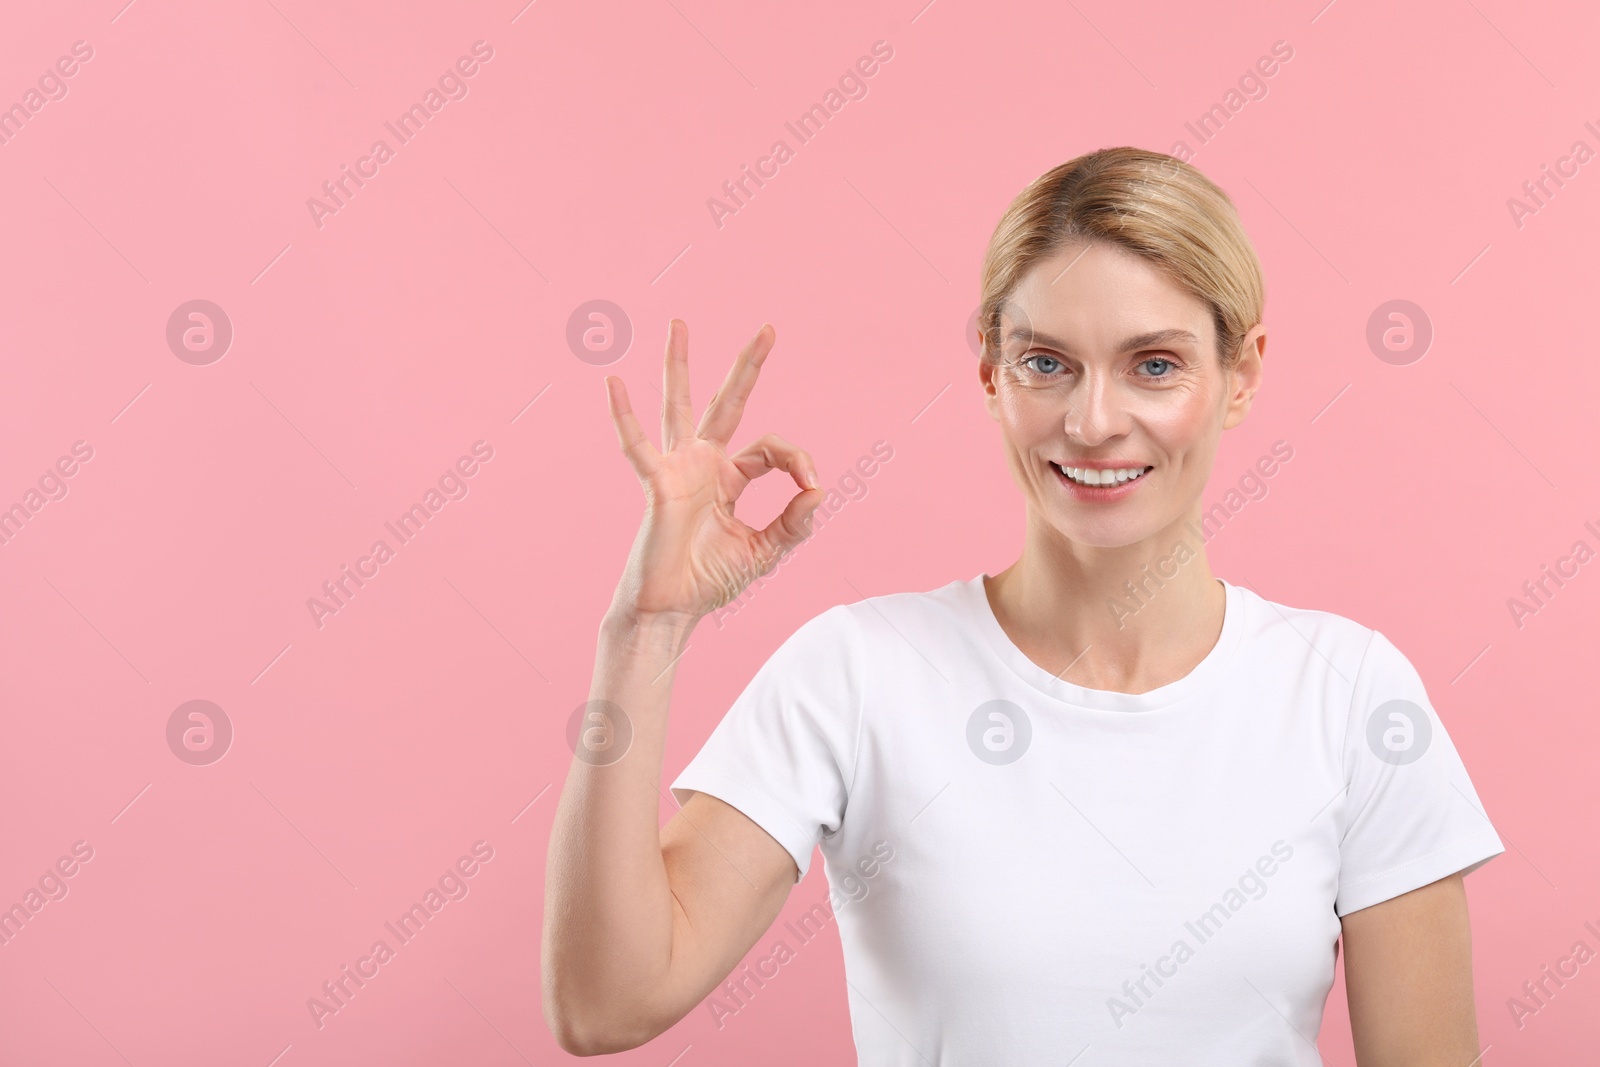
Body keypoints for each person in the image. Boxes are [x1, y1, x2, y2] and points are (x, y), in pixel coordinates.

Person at [541, 146, 1505, 1064]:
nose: (1092, 421)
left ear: (1241, 374)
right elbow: (605, 1003)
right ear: (992, 374)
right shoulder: (860, 671)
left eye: (1155, 365)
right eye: (1047, 363)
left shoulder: (1348, 695)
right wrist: (645, 632)